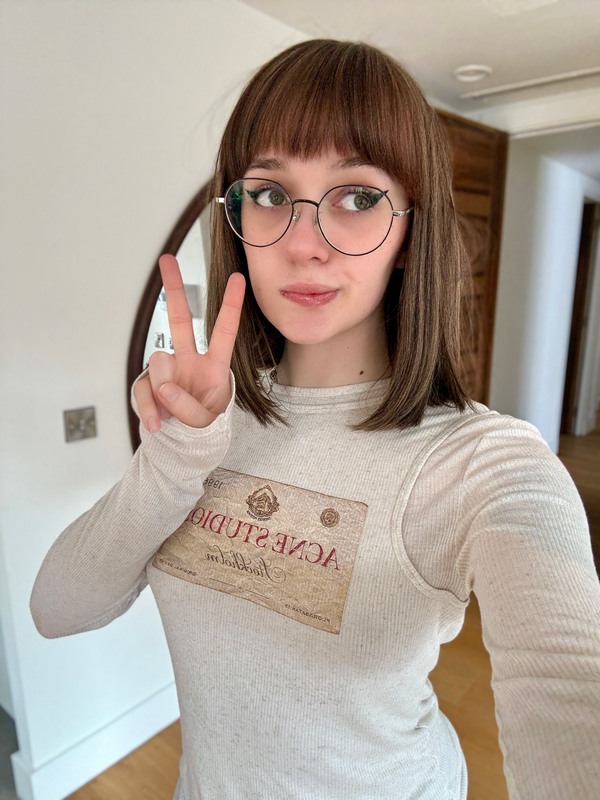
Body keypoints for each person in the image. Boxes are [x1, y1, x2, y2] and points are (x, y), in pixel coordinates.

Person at [31, 39, 600, 800]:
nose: (303, 245)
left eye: (357, 197)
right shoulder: (208, 427)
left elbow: (570, 686)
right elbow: (56, 608)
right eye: (269, 192)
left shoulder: (482, 464)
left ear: (410, 232)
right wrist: (174, 458)